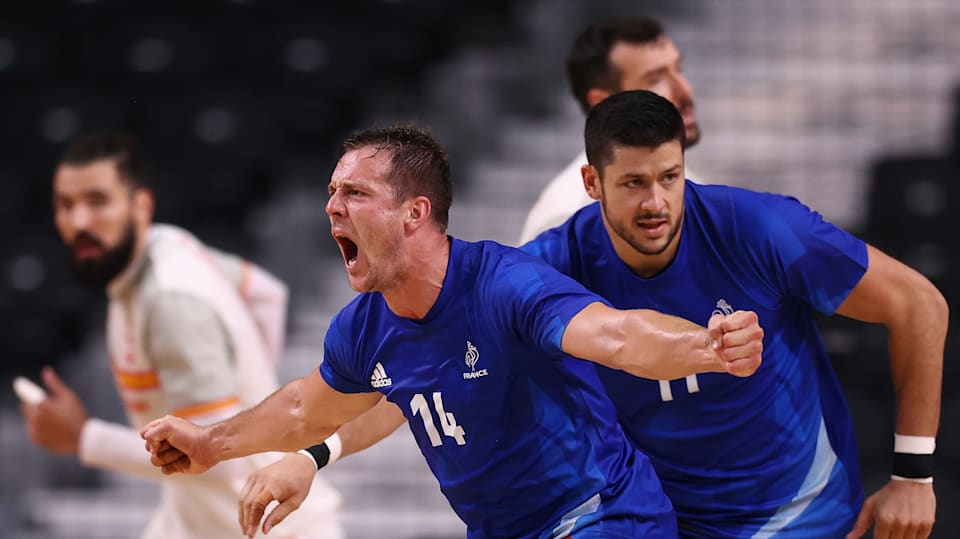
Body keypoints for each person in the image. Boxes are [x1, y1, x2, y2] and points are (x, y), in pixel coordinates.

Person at [247, 92, 945, 539]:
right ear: (592, 185)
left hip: (796, 512)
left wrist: (914, 473)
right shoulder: (541, 268)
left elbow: (919, 301)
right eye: (635, 182)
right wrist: (317, 452)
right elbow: (426, 375)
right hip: (671, 519)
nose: (658, 202)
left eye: (671, 177)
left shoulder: (757, 228)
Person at [141, 125, 766, 539]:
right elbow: (307, 407)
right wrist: (210, 444)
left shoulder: (504, 286)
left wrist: (705, 348)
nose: (332, 206)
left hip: (604, 518)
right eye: (331, 192)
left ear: (415, 213)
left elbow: (620, 337)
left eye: (354, 192)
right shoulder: (363, 329)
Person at [19, 132, 343, 539]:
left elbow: (210, 452)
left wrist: (83, 438)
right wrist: (255, 386)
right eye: (66, 206)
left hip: (268, 529)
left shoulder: (171, 303)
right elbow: (266, 293)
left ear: (140, 205)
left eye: (97, 202)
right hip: (203, 521)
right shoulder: (170, 244)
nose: (79, 221)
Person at [519, 16, 703, 244]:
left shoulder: (692, 184)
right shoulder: (566, 219)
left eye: (678, 69)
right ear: (603, 102)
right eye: (656, 79)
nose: (685, 90)